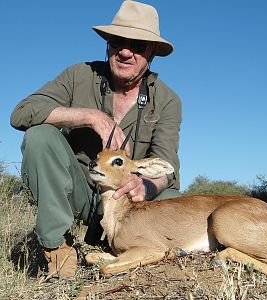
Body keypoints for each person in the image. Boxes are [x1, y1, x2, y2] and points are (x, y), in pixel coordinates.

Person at [10, 0, 181, 279]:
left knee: (172, 197)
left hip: (127, 202)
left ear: (151, 53)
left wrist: (146, 186)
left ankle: (141, 251)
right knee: (39, 136)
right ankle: (57, 248)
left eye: (138, 46)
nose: (125, 52)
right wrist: (90, 116)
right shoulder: (79, 75)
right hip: (81, 190)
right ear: (108, 44)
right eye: (117, 42)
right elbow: (21, 113)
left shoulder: (167, 100)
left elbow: (168, 164)